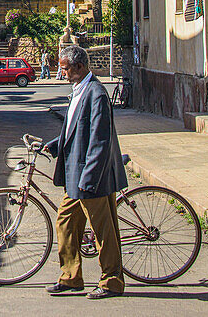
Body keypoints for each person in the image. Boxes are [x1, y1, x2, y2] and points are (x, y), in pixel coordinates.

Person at [43, 45, 127, 299]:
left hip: (92, 178)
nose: (62, 72)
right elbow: (75, 129)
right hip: (76, 178)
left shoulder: (96, 94)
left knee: (104, 231)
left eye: (65, 68)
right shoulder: (79, 91)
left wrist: (88, 180)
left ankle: (111, 281)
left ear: (79, 67)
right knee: (66, 221)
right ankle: (71, 277)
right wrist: (56, 145)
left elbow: (99, 142)